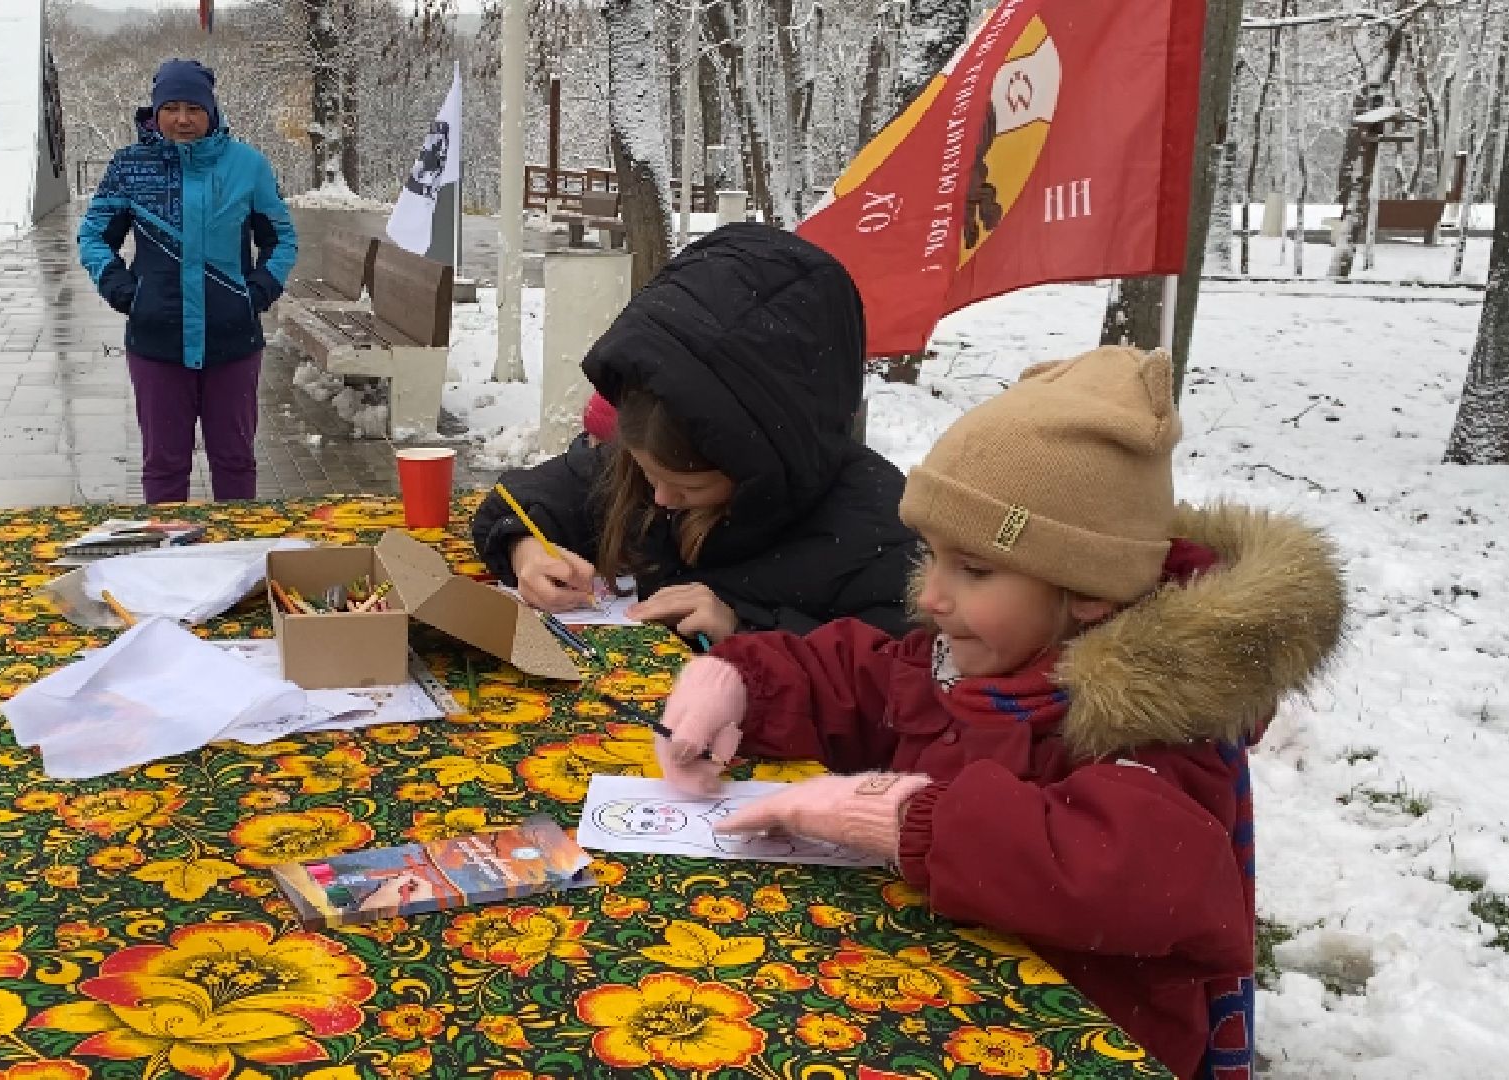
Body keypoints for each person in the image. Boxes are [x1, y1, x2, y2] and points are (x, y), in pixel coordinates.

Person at [652, 347, 1347, 1078]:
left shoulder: (1164, 723)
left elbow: (1126, 871)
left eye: (975, 570)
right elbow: (859, 682)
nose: (930, 597)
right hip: (953, 1004)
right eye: (934, 556)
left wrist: (911, 820)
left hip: (1081, 1041)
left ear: (1087, 590)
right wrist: (739, 679)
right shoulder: (976, 658)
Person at [471, 223, 919, 644]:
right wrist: (526, 550)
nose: (662, 499)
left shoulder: (878, 535)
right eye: (650, 474)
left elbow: (894, 679)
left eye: (690, 486)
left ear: (759, 467)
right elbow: (520, 501)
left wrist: (745, 632)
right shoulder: (639, 470)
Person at [78, 59, 297, 504]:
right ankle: (168, 561)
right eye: (171, 107)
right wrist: (123, 290)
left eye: (194, 108)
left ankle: (236, 557)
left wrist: (255, 293)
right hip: (157, 342)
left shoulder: (248, 166)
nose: (182, 119)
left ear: (211, 111)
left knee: (235, 461)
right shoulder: (130, 167)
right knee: (164, 465)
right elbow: (94, 236)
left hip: (232, 341)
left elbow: (281, 239)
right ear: (154, 112)